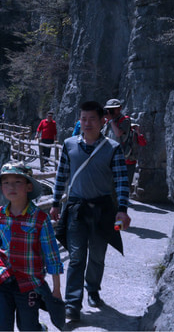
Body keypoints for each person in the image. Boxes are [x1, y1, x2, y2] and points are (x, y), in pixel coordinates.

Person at [50, 100, 132, 322]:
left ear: (102, 121)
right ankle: (72, 306)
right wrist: (55, 202)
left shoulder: (113, 149)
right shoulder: (69, 145)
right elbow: (61, 175)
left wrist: (122, 209)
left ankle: (93, 290)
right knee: (77, 257)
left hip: (103, 210)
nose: (87, 123)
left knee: (97, 255)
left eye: (92, 119)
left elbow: (122, 182)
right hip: (77, 208)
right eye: (83, 119)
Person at [0, 162, 64, 331]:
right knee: (0, 327)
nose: (11, 186)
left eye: (18, 181)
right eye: (6, 182)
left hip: (29, 283)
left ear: (28, 187)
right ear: (2, 187)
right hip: (2, 278)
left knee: (28, 327)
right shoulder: (0, 214)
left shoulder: (40, 219)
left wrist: (56, 289)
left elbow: (52, 255)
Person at [102, 98, 135, 187]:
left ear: (120, 108)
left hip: (120, 155)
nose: (111, 111)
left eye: (114, 108)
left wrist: (111, 120)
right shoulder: (108, 122)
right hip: (108, 155)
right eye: (109, 109)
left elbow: (118, 133)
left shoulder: (125, 120)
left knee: (119, 182)